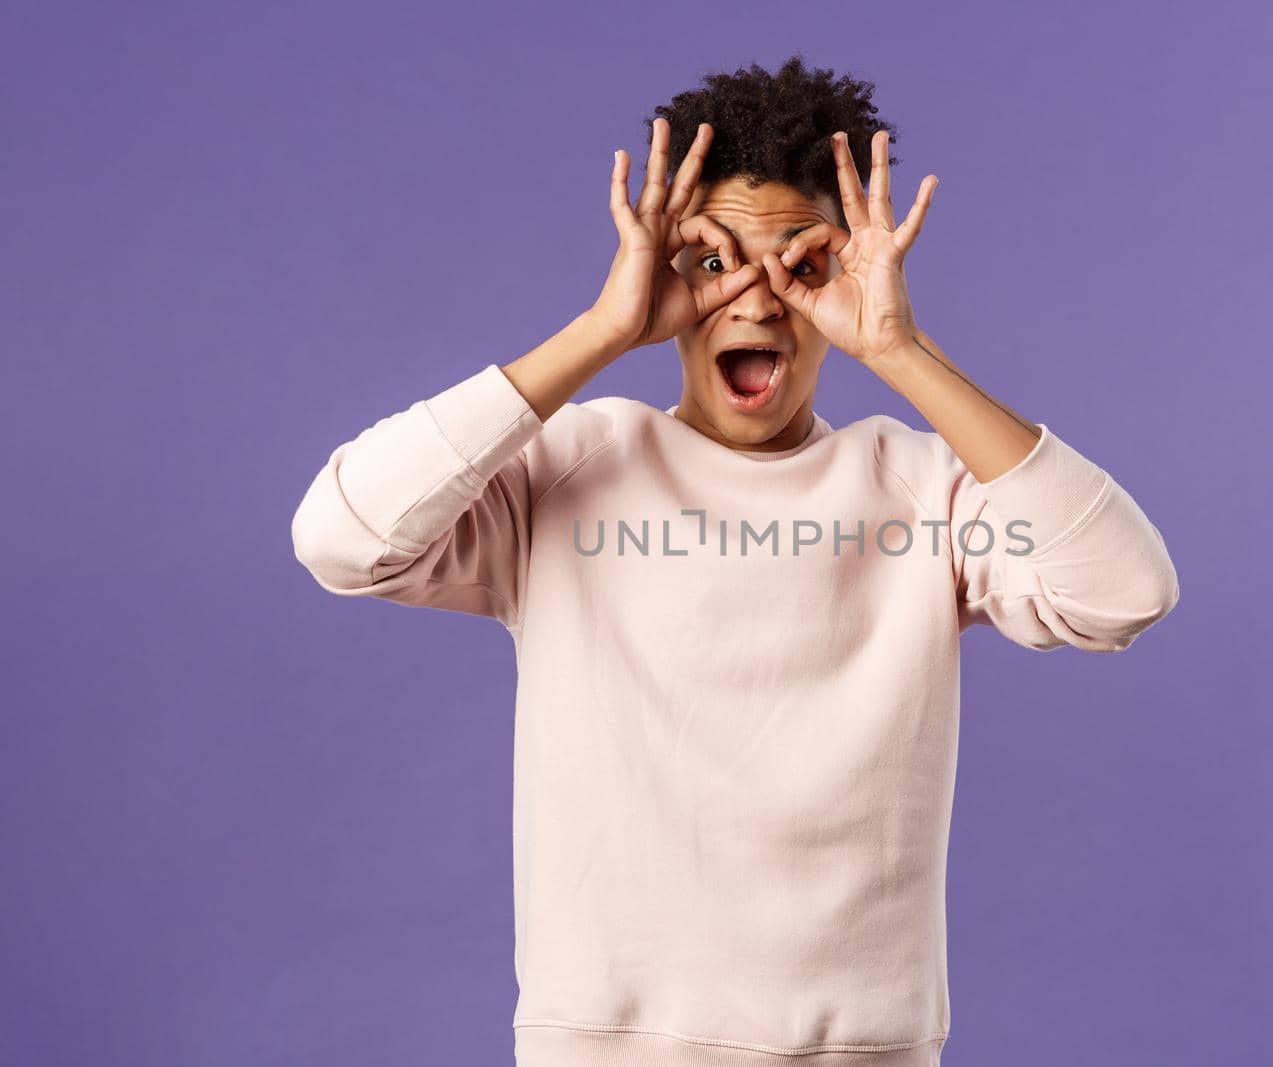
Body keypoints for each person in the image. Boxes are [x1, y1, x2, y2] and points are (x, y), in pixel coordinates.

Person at [290, 54, 1179, 1067]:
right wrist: (601, 330)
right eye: (713, 261)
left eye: (802, 265)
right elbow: (341, 535)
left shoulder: (921, 487)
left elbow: (1123, 590)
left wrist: (897, 350)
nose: (755, 301)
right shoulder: (572, 465)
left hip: (864, 1048)